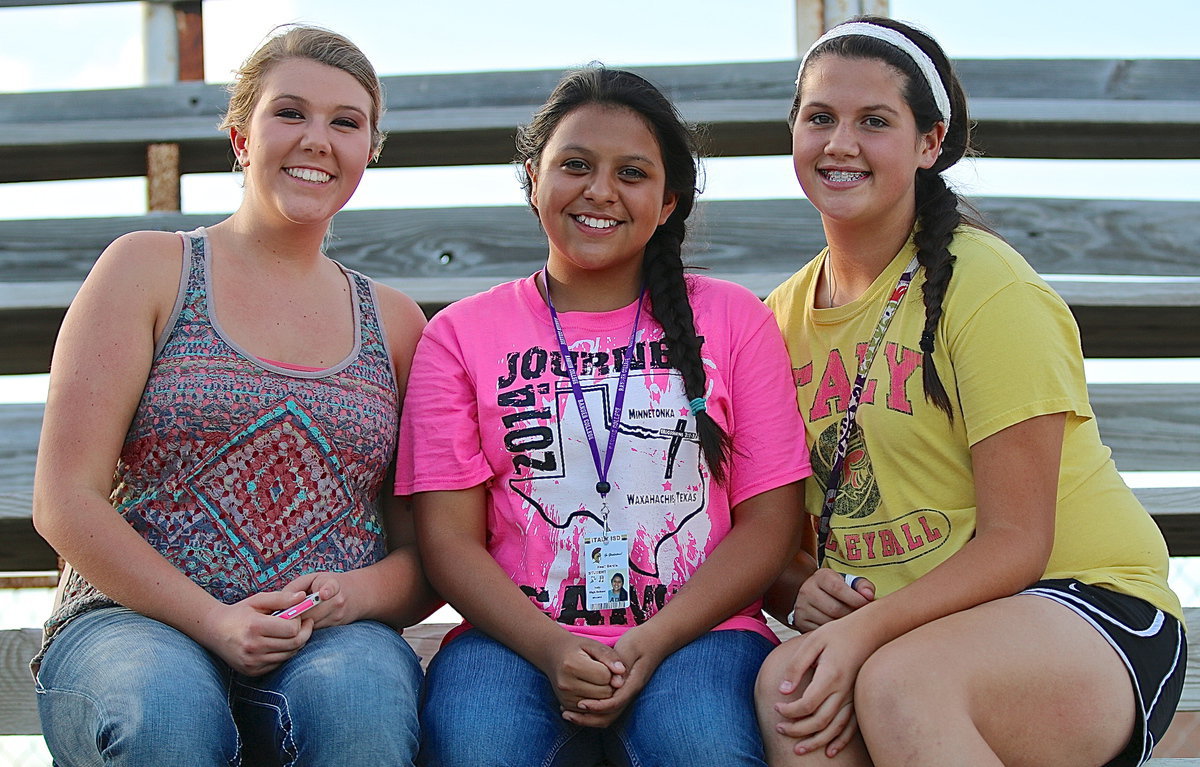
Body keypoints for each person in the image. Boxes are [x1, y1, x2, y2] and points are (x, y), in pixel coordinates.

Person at [755, 16, 1186, 767]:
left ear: (930, 143)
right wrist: (801, 588)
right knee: (791, 683)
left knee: (902, 684)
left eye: (875, 121)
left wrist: (863, 630)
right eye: (819, 117)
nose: (840, 143)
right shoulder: (776, 321)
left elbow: (1020, 541)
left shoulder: (988, 287)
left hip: (1085, 608)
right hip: (909, 629)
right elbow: (777, 536)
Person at [31, 25, 436, 767]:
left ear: (367, 153)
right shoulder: (149, 271)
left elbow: (422, 555)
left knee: (364, 703)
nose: (317, 138)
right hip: (130, 623)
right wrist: (214, 620)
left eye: (345, 123)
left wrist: (349, 595)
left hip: (327, 638)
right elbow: (64, 500)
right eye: (290, 113)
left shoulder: (397, 323)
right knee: (168, 715)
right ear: (241, 139)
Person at [395, 65, 812, 767]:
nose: (600, 191)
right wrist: (550, 644)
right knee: (474, 743)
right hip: (513, 637)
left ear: (670, 200)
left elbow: (769, 523)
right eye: (576, 165)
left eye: (632, 173)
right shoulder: (460, 335)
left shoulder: (736, 320)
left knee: (702, 744)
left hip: (701, 632)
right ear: (533, 178)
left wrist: (655, 637)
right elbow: (449, 542)